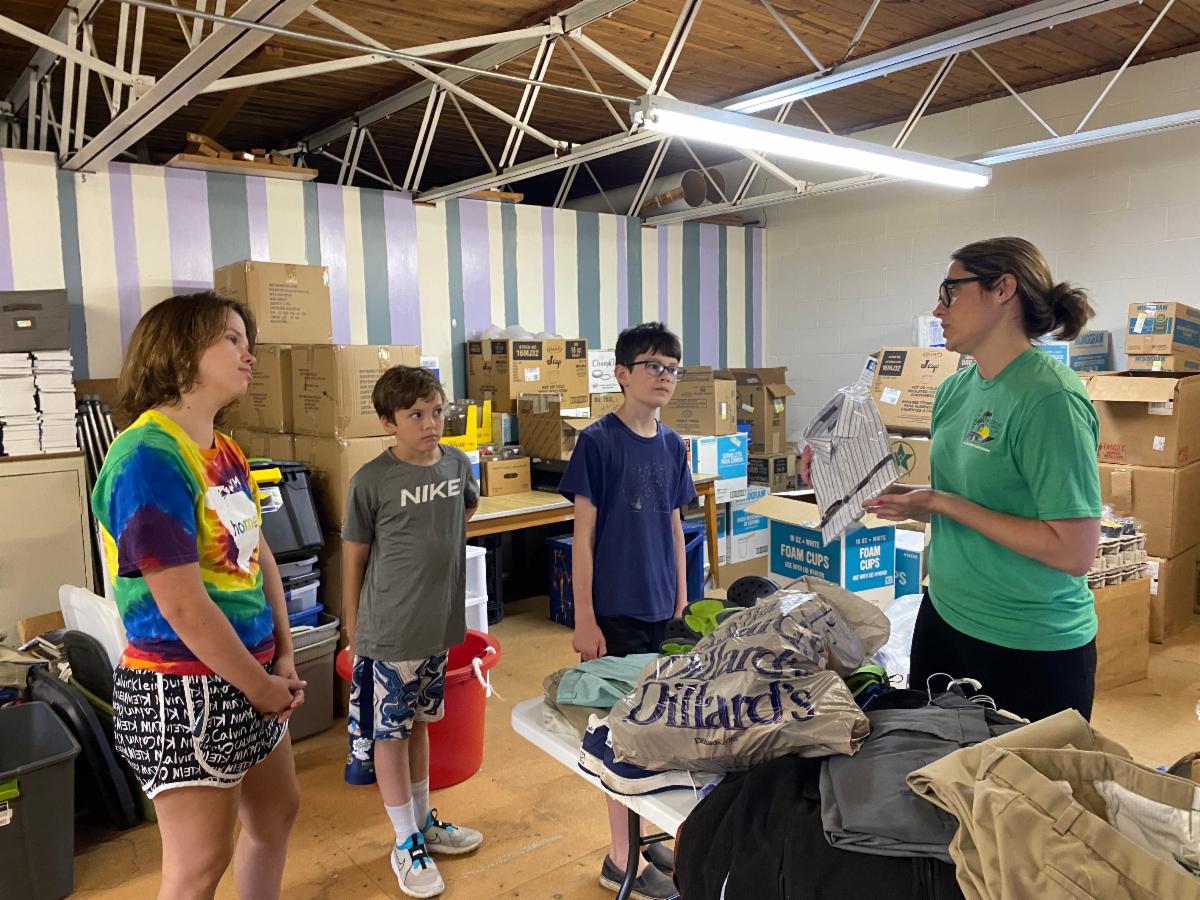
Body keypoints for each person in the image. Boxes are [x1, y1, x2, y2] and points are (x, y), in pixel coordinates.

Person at [93, 292, 304, 900]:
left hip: (251, 673)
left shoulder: (224, 449)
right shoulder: (147, 457)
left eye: (247, 341)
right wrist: (261, 685)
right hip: (181, 689)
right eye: (231, 339)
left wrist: (284, 656)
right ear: (179, 351)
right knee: (199, 864)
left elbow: (257, 556)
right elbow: (181, 605)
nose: (249, 355)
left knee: (275, 814)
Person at [859, 236, 1102, 722]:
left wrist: (942, 503)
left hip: (1027, 644)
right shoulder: (955, 389)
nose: (938, 308)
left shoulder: (1049, 399)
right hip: (946, 617)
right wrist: (876, 490)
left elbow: (1074, 552)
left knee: (1013, 774)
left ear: (1003, 290)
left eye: (951, 291)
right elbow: (964, 495)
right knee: (929, 764)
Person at [559, 322, 696, 900]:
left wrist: (684, 601)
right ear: (622, 373)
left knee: (659, 729)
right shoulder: (598, 442)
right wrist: (584, 618)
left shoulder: (672, 444)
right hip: (613, 612)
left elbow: (675, 528)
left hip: (663, 611)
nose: (664, 377)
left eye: (672, 368)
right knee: (617, 737)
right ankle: (621, 858)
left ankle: (643, 833)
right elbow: (582, 538)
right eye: (653, 366)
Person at [342, 366, 483, 899]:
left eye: (437, 411)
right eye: (416, 415)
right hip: (389, 630)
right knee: (389, 735)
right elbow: (354, 557)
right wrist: (352, 625)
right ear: (388, 422)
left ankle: (422, 823)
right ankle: (404, 841)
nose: (430, 424)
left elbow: (466, 508)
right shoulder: (371, 481)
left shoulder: (457, 464)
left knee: (420, 724)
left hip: (435, 627)